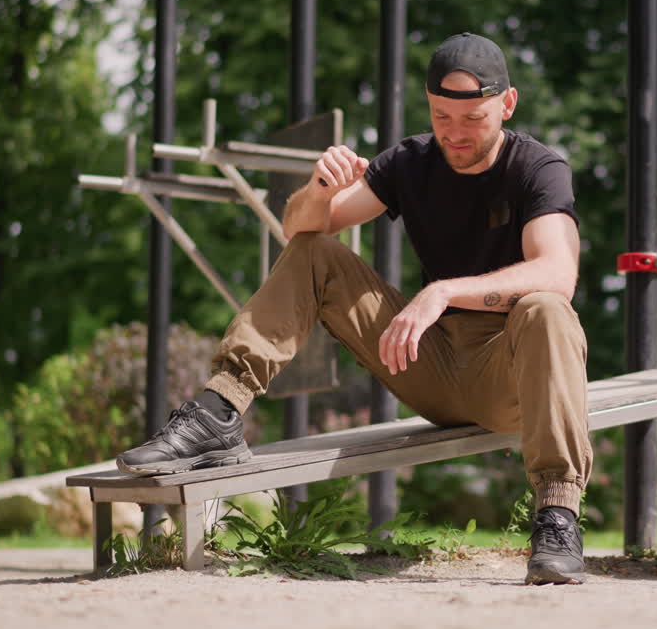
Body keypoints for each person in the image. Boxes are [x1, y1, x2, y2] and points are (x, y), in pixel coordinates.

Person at [116, 32, 592, 585]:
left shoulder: (537, 167)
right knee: (314, 251)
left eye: (473, 118)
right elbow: (299, 229)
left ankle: (557, 514)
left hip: (509, 373)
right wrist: (320, 187)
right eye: (442, 116)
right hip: (429, 365)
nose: (455, 134)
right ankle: (221, 410)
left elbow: (559, 274)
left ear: (507, 104)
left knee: (547, 310)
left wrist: (441, 292)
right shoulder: (413, 162)